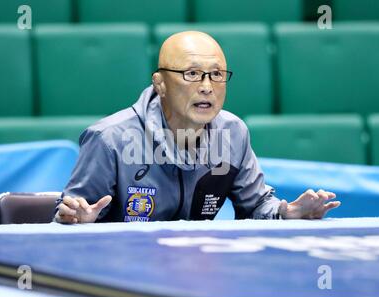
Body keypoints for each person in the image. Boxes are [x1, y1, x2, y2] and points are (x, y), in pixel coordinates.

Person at [54, 31, 340, 224]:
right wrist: (76, 220)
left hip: (199, 271)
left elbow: (255, 206)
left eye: (216, 74)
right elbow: (73, 214)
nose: (206, 87)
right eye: (191, 74)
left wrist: (286, 212)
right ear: (160, 84)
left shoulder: (233, 133)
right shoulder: (110, 139)